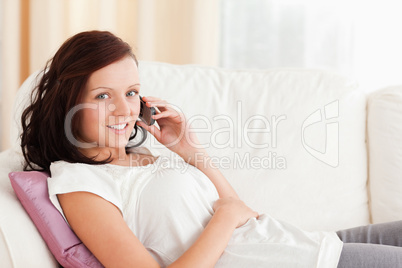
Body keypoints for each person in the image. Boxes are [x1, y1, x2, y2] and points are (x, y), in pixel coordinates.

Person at [20, 30, 402, 268]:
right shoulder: (80, 183)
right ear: (70, 103)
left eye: (132, 92)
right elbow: (230, 217)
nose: (125, 109)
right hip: (303, 261)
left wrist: (190, 150)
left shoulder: (143, 158)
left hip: (298, 242)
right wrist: (224, 218)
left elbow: (244, 216)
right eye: (103, 95)